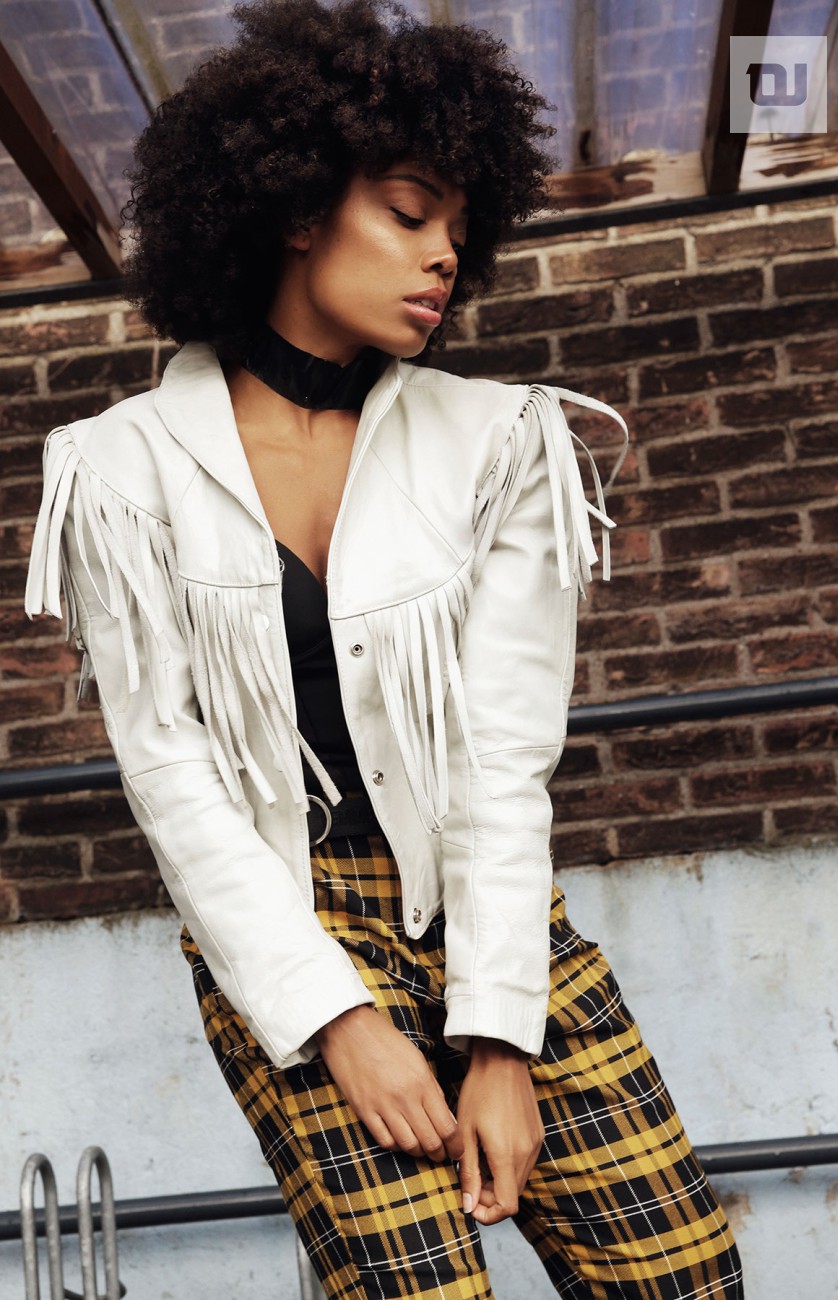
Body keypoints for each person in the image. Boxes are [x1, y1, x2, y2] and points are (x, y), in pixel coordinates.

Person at [25, 1, 744, 1296]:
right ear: (298, 209)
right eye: (410, 215)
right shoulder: (120, 471)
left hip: (484, 903)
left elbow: (504, 759)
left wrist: (502, 1041)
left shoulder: (501, 443)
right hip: (287, 925)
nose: (443, 257)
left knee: (683, 1276)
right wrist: (337, 1020)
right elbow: (170, 772)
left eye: (459, 230)